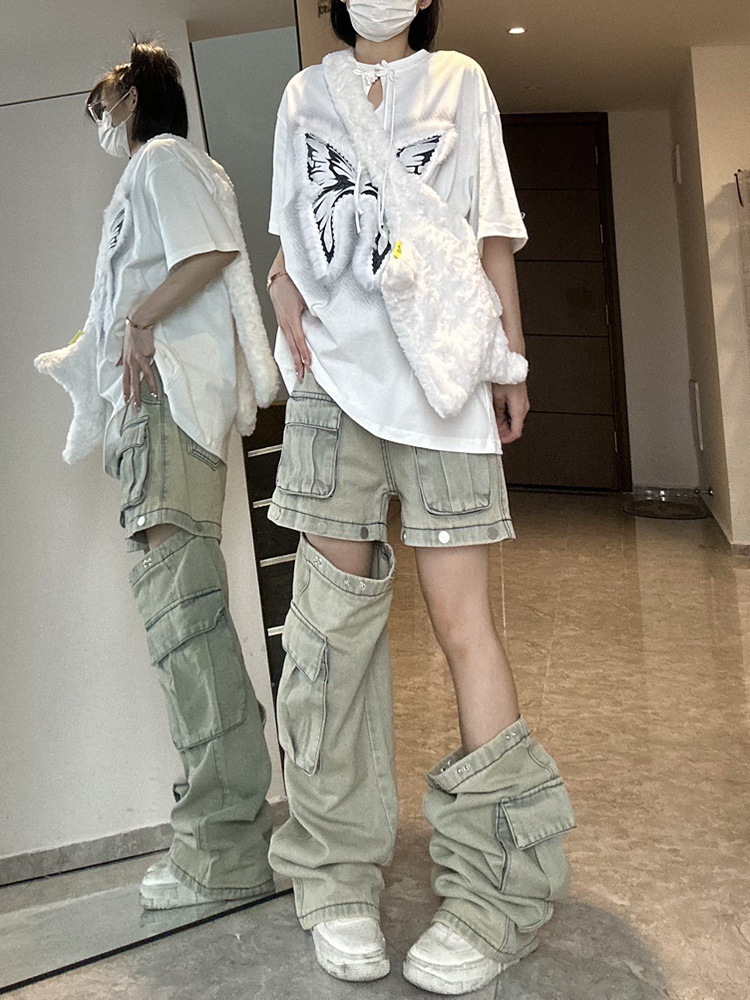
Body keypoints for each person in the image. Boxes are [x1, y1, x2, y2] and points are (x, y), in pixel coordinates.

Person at [264, 0, 577, 994]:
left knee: (464, 624)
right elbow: (292, 237)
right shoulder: (302, 94)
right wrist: (280, 286)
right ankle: (333, 878)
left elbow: (491, 233)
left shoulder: (461, 81)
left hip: (443, 380)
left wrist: (511, 361)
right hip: (333, 385)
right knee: (327, 635)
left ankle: (497, 892)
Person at [34, 39, 280, 911]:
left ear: (137, 96)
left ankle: (224, 849)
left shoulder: (164, 159)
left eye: (103, 101)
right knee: (190, 624)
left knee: (186, 628)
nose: (99, 118)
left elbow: (207, 253)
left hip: (167, 408)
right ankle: (225, 834)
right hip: (162, 416)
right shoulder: (159, 172)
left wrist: (139, 324)